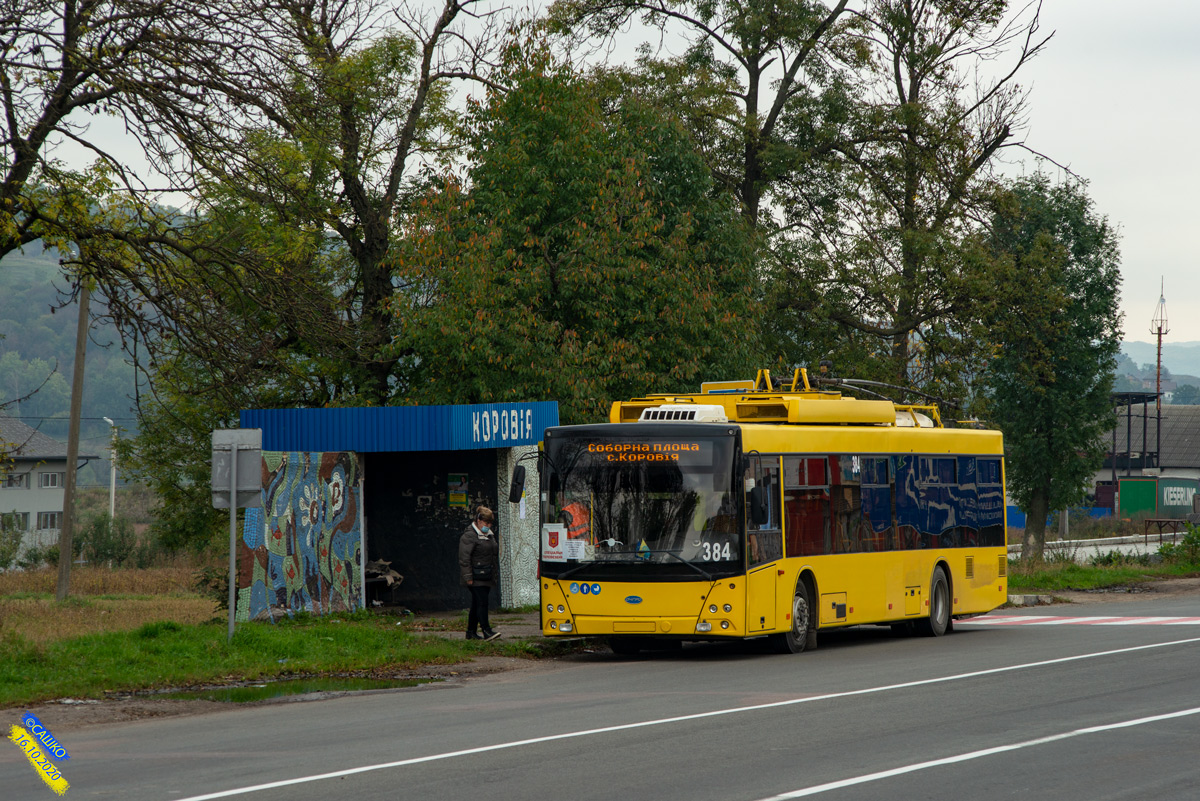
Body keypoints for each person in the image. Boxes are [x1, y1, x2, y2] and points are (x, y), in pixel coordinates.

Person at [458, 505, 501, 641]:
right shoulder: (469, 535)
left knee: (477, 603)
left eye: (490, 523)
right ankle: (486, 630)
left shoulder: (489, 535)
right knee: (482, 602)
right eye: (486, 522)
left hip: (486, 575)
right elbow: (464, 558)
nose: (488, 525)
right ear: (478, 520)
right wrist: (468, 577)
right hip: (475, 576)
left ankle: (470, 632)